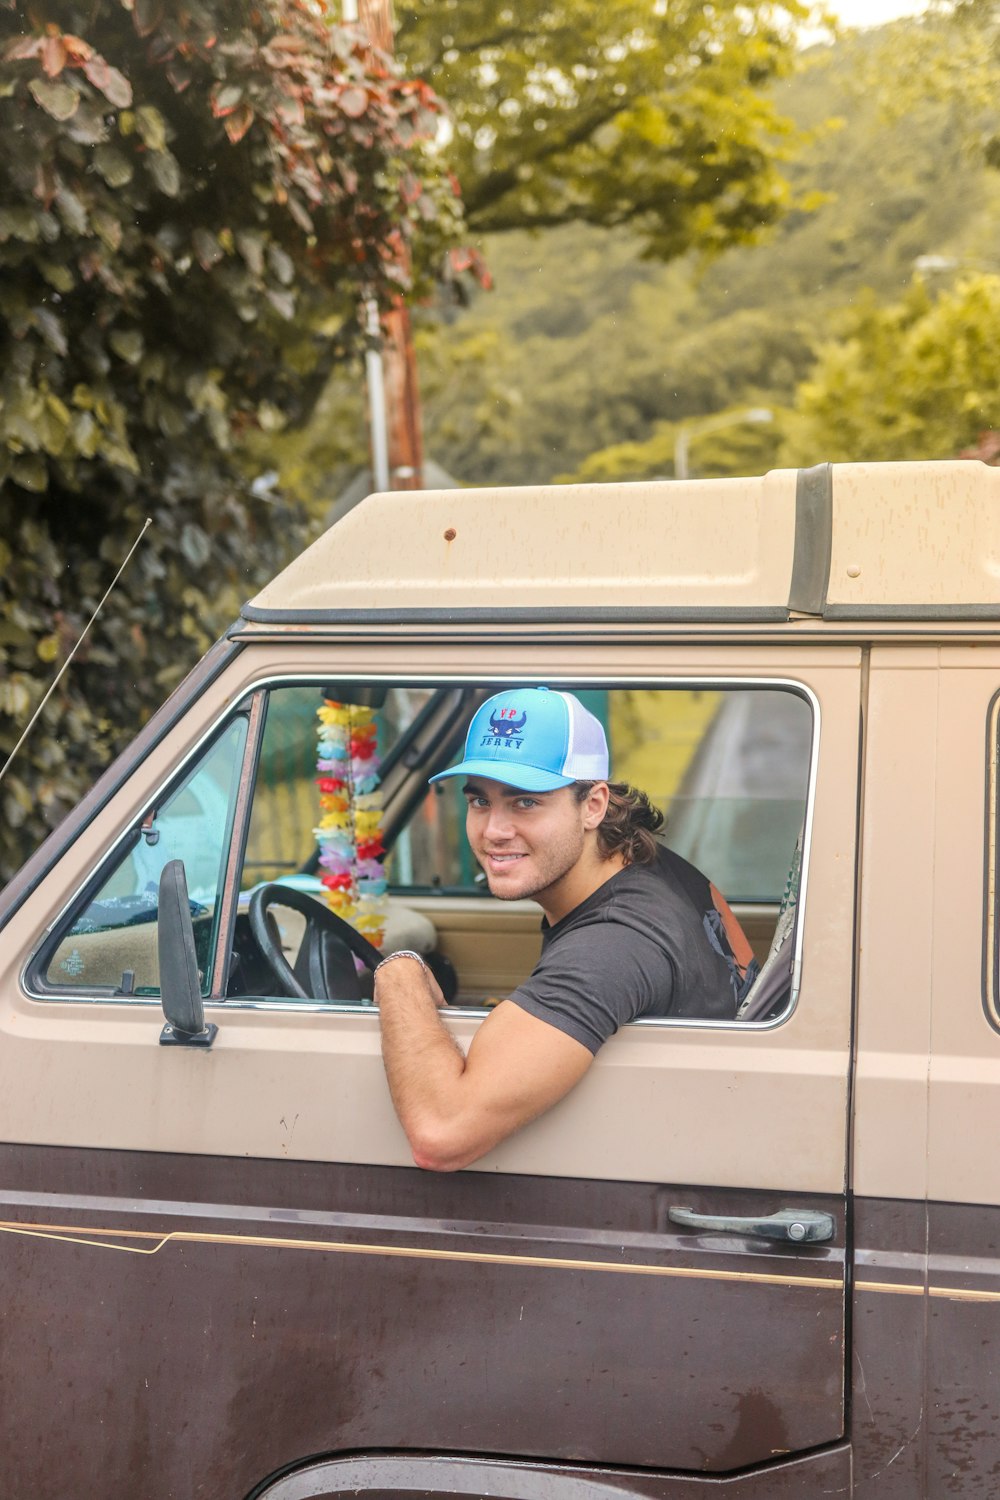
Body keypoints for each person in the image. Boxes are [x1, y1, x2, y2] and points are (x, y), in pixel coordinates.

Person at [374, 687, 757, 1173]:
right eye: (479, 801)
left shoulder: (612, 946)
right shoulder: (653, 869)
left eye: (526, 802)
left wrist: (398, 971)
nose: (494, 830)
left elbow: (440, 1135)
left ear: (593, 805)